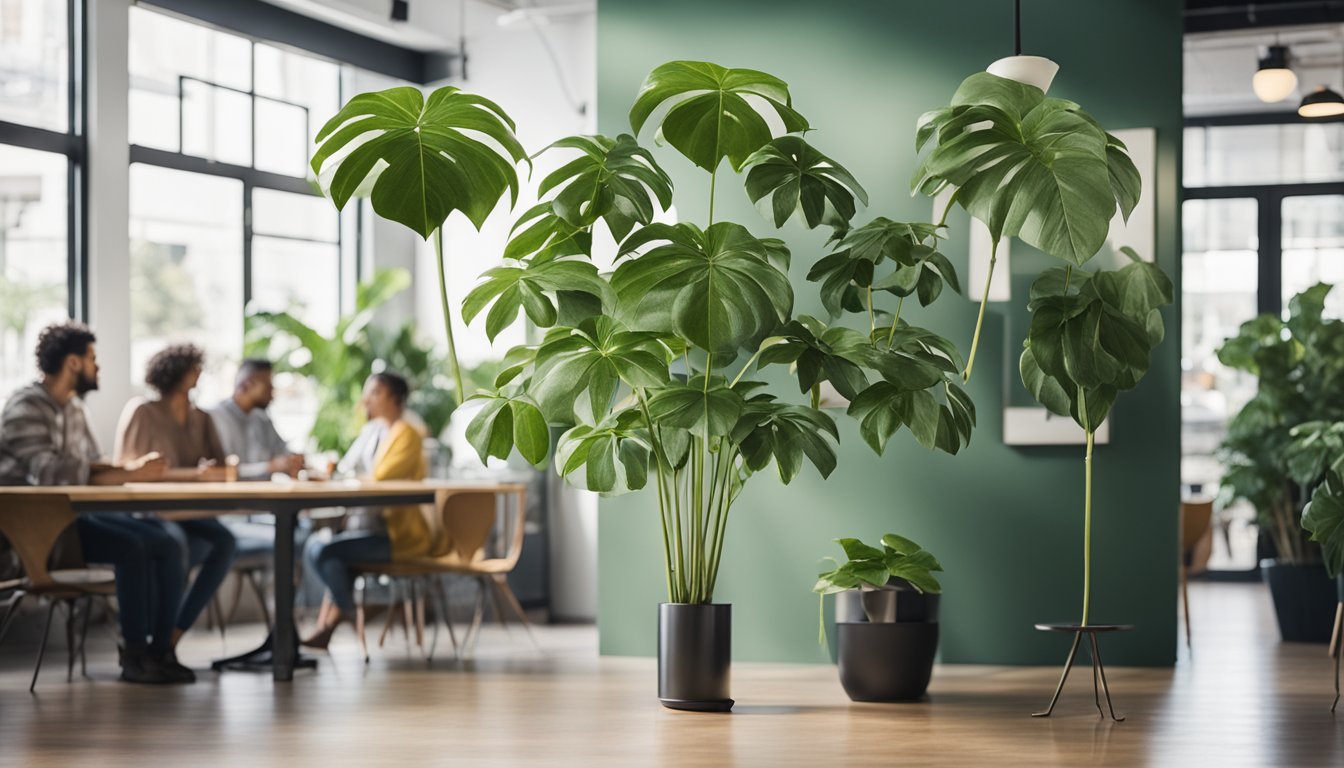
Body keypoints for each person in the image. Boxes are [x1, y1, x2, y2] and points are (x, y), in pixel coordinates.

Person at [0, 322, 194, 684]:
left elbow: (92, 463)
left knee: (167, 538)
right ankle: (134, 655)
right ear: (73, 363)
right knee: (133, 547)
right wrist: (128, 472)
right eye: (92, 357)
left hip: (74, 518)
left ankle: (159, 651)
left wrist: (130, 470)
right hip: (39, 534)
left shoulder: (74, 409)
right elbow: (50, 473)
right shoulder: (24, 408)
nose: (98, 365)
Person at [115, 343, 237, 650]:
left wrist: (212, 472)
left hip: (191, 510)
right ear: (174, 372)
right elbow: (130, 470)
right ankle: (156, 643)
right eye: (192, 366)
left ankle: (174, 632)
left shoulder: (202, 418)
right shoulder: (143, 411)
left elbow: (222, 467)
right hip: (151, 511)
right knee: (174, 543)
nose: (198, 373)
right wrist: (194, 474)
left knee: (226, 541)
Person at [301, 371, 436, 649]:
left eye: (374, 392)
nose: (366, 399)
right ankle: (335, 622)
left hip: (396, 536)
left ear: (394, 397)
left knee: (325, 552)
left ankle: (348, 613)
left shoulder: (408, 434)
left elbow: (382, 479)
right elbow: (346, 468)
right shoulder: (371, 431)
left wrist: (347, 478)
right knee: (322, 551)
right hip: (367, 528)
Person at [205, 359, 303, 480]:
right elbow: (221, 469)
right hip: (230, 496)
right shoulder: (214, 418)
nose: (272, 392)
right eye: (267, 386)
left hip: (265, 495)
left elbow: (282, 453)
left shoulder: (263, 420)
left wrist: (293, 461)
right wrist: (268, 467)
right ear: (247, 385)